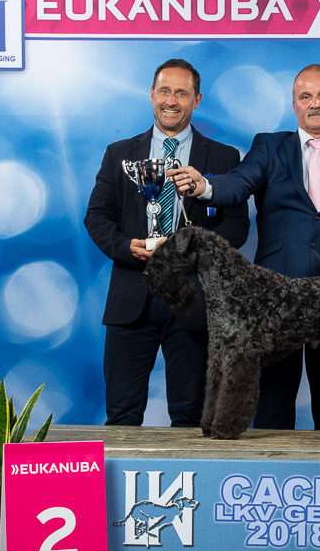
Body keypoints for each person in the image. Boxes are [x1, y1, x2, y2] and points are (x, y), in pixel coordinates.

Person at [170, 63, 320, 431]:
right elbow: (238, 183)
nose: (315, 103)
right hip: (273, 302)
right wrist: (205, 187)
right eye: (305, 96)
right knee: (271, 415)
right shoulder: (269, 147)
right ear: (295, 106)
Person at [85, 58, 249, 427]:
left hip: (194, 299)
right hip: (132, 297)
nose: (171, 101)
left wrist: (188, 252)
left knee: (191, 417)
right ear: (151, 95)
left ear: (197, 100)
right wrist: (125, 247)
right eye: (164, 91)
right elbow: (96, 217)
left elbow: (237, 227)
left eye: (181, 93)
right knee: (121, 415)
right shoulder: (119, 153)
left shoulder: (223, 157)